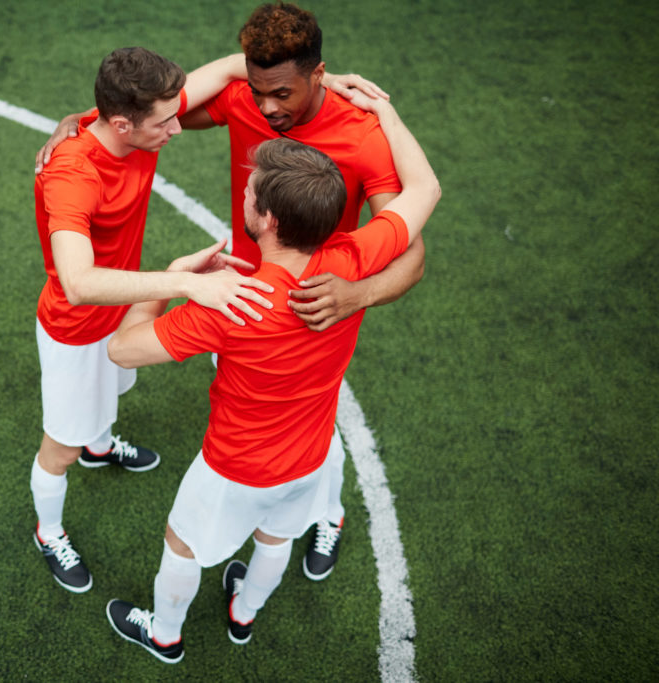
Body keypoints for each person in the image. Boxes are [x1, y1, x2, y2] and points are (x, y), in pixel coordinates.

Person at [37, 2, 420, 583]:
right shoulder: (244, 100)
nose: (268, 109)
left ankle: (329, 514)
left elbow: (412, 253)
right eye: (259, 90)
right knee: (277, 413)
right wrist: (84, 119)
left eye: (282, 93)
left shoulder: (363, 135)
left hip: (322, 302)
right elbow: (152, 115)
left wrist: (355, 296)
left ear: (318, 75)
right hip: (242, 292)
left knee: (316, 411)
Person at [101, 90, 439, 663]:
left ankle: (165, 633)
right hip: (309, 458)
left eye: (250, 191)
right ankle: (243, 612)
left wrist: (176, 278)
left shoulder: (232, 303)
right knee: (276, 536)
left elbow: (121, 350)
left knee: (182, 543)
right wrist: (388, 112)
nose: (244, 193)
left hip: (233, 465)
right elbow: (425, 189)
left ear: (269, 220)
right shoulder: (350, 260)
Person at [31, 47, 276, 594]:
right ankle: (48, 531)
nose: (178, 127)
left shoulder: (137, 118)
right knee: (60, 448)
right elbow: (78, 282)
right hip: (76, 330)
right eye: (165, 121)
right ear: (122, 123)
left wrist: (330, 81)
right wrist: (184, 283)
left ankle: (99, 446)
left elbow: (232, 66)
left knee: (112, 396)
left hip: (124, 313)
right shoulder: (72, 174)